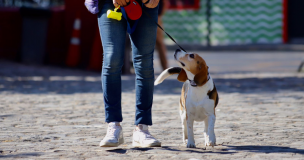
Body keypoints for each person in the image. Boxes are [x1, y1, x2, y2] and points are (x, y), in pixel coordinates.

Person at [97, 0, 161, 147]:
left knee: (144, 63)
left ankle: (142, 128)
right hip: (110, 3)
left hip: (146, 3)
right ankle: (113, 126)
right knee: (112, 58)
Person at [155, 0, 168, 70]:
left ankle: (165, 67)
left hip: (156, 16)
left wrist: (159, 15)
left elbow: (165, 2)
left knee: (159, 43)